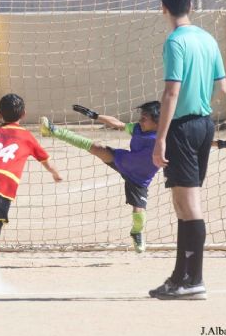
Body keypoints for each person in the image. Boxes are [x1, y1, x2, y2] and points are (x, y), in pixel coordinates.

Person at [149, 0, 226, 300]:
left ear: (163, 7)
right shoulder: (207, 39)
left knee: (189, 204)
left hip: (182, 128)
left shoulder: (175, 42)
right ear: (191, 5)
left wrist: (161, 137)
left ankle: (194, 279)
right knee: (182, 203)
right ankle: (181, 276)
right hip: (204, 124)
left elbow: (171, 92)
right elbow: (222, 86)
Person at [40, 102, 161, 253]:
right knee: (96, 147)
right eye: (141, 117)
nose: (141, 120)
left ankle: (136, 232)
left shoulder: (163, 139)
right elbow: (118, 124)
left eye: (145, 118)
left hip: (139, 180)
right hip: (122, 161)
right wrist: (95, 116)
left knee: (139, 215)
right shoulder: (137, 129)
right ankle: (53, 130)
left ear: (157, 122)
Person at [0, 93, 63, 271]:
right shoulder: (26, 136)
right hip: (4, 181)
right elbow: (46, 160)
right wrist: (56, 174)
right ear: (24, 113)